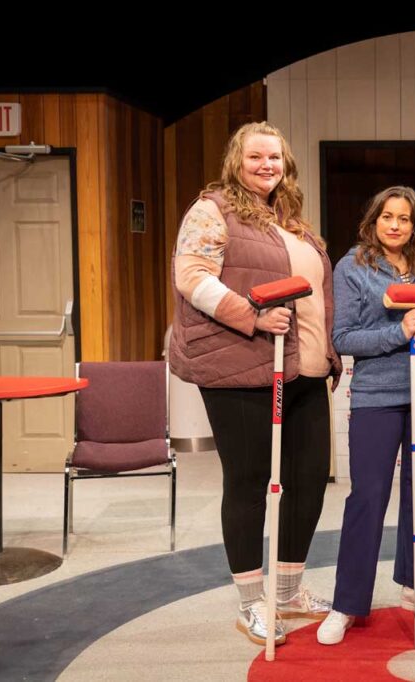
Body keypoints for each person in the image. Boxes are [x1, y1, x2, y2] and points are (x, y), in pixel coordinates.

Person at [170, 121, 340, 647]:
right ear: (235, 163)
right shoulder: (213, 210)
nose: (267, 166)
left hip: (303, 370)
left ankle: (286, 591)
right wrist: (251, 315)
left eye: (275, 157)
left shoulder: (290, 220)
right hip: (240, 367)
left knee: (307, 480)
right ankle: (251, 604)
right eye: (255, 157)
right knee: (248, 484)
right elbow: (192, 277)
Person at [317, 187, 415, 645]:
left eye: (405, 219)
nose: (395, 225)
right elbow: (344, 337)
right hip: (377, 394)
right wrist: (397, 333)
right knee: (368, 496)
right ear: (373, 221)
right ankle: (347, 602)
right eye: (387, 217)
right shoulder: (352, 267)